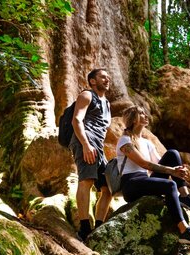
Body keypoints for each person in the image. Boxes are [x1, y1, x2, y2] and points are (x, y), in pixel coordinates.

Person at [116, 105, 190, 244]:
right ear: (134, 120)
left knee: (173, 154)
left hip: (145, 181)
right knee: (170, 185)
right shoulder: (125, 141)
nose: (145, 115)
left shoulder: (147, 142)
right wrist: (171, 171)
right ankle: (184, 231)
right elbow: (144, 164)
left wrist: (177, 169)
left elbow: (158, 164)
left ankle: (185, 196)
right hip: (131, 184)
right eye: (141, 113)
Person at [70, 68, 112, 241]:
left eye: (108, 77)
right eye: (103, 77)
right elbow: (76, 120)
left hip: (98, 147)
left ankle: (99, 226)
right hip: (85, 142)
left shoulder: (107, 102)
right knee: (86, 181)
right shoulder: (87, 95)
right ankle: (84, 228)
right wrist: (86, 145)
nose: (107, 79)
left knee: (108, 188)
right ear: (93, 81)